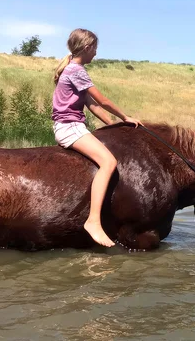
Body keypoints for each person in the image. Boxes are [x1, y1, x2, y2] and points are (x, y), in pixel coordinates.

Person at [51, 28, 142, 247]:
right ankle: (93, 221)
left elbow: (91, 105)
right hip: (70, 127)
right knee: (109, 162)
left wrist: (114, 124)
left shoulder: (72, 69)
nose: (96, 54)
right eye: (95, 48)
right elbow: (103, 101)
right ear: (87, 47)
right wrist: (125, 116)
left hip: (70, 125)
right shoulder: (76, 70)